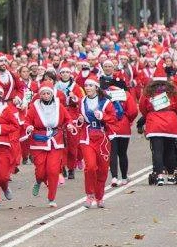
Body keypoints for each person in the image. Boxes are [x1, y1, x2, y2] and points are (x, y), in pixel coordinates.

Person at [74, 78, 122, 207]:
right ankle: (89, 195)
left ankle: (99, 196)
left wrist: (103, 116)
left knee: (102, 170)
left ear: (96, 87)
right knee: (90, 166)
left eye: (90, 85)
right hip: (87, 136)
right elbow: (79, 117)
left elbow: (114, 119)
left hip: (102, 137)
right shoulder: (82, 101)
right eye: (86, 85)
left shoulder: (106, 102)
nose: (88, 88)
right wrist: (79, 120)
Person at [23, 84, 71, 209]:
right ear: (40, 95)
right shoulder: (34, 107)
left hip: (56, 139)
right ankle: (39, 181)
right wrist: (29, 127)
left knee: (53, 170)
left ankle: (51, 198)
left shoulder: (58, 106)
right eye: (43, 93)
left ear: (52, 94)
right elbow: (27, 120)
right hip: (39, 141)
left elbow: (67, 119)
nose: (45, 96)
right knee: (40, 172)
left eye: (48, 93)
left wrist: (70, 125)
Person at [139, 77, 177, 184]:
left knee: (157, 151)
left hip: (154, 124)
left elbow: (142, 107)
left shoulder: (148, 92)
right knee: (170, 150)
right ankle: (171, 175)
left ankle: (159, 175)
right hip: (170, 123)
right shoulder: (172, 91)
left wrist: (150, 115)